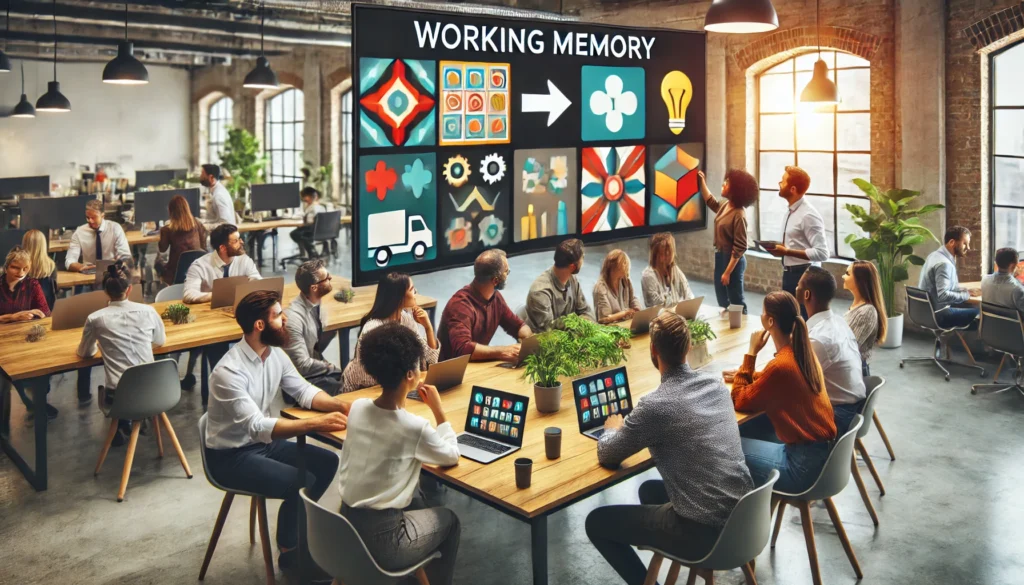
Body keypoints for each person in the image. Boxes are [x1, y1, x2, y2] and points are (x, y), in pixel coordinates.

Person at [585, 312, 753, 585]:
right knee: (648, 490)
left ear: (653, 350)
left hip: (703, 533)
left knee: (596, 522)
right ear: (688, 347)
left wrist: (611, 430)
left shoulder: (655, 406)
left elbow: (608, 454)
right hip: (744, 520)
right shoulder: (717, 385)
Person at [203, 290, 348, 584]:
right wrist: (317, 424)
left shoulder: (274, 354)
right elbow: (257, 425)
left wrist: (341, 405)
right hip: (230, 456)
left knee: (326, 463)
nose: (285, 321)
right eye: (278, 316)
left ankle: (292, 537)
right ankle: (292, 551)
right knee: (302, 480)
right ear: (260, 325)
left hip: (262, 445)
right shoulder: (228, 372)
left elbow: (304, 391)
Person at [337, 322, 461, 585]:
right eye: (419, 365)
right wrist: (439, 412)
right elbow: (451, 455)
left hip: (343, 530)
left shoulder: (357, 407)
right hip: (384, 544)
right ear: (409, 375)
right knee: (450, 522)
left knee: (415, 497)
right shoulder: (413, 427)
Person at [730, 291, 837, 493]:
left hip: (801, 467)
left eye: (762, 312)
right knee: (747, 428)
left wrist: (750, 354)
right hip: (821, 457)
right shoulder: (803, 353)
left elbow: (739, 400)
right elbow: (779, 380)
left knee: (725, 448)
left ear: (770, 321)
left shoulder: (781, 366)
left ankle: (735, 515)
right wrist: (747, 373)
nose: (760, 315)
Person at [77, 260, 166, 447]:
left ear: (105, 292)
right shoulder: (149, 311)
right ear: (129, 289)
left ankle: (124, 422)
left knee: (119, 387)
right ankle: (142, 417)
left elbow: (85, 353)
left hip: (120, 397)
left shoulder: (95, 318)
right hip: (158, 391)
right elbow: (160, 341)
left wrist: (100, 347)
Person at [342, 272, 439, 393]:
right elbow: (372, 378)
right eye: (412, 290)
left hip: (397, 388)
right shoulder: (372, 329)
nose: (416, 294)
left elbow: (431, 360)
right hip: (365, 390)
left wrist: (428, 327)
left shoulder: (406, 318)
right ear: (399, 297)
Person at [796, 266, 867, 434]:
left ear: (807, 295)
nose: (796, 287)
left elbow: (791, 380)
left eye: (799, 285)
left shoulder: (819, 339)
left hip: (836, 417)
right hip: (850, 408)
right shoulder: (838, 322)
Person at [437, 249, 532, 362]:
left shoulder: (496, 299)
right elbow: (463, 349)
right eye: (507, 272)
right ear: (495, 281)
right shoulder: (460, 306)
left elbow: (517, 326)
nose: (508, 275)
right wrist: (502, 351)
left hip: (476, 367)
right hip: (454, 372)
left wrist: (528, 338)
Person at [0, 247, 55, 419]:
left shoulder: (32, 284)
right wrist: (12, 317)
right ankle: (28, 401)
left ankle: (33, 401)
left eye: (25, 268)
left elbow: (46, 313)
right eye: (15, 267)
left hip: (25, 336)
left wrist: (37, 314)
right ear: (6, 266)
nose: (21, 272)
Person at [765, 166, 829, 312]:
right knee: (791, 320)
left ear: (792, 189)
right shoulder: (790, 211)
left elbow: (822, 253)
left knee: (804, 321)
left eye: (782, 182)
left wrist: (787, 251)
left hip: (804, 276)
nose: (779, 184)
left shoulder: (808, 215)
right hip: (788, 273)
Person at [699, 169, 758, 314]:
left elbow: (740, 247)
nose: (723, 184)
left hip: (733, 261)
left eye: (727, 183)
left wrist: (727, 272)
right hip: (720, 256)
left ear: (736, 189)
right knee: (722, 297)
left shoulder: (739, 214)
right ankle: (728, 326)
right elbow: (711, 201)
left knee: (736, 300)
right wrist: (702, 182)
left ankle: (741, 326)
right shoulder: (726, 205)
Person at [283, 259, 343, 395]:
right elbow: (302, 366)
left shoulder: (316, 303)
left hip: (315, 371)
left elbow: (316, 348)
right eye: (326, 278)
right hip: (301, 382)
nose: (331, 278)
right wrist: (333, 368)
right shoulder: (293, 319)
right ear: (314, 287)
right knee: (347, 387)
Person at [524, 238, 594, 332]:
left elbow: (586, 311)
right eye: (582, 258)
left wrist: (582, 322)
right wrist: (579, 323)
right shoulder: (540, 291)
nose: (583, 261)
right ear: (573, 267)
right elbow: (549, 330)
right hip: (543, 343)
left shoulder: (572, 280)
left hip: (568, 337)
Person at [919, 225, 980, 328]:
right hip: (939, 313)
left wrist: (965, 290)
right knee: (981, 312)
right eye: (965, 243)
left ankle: (949, 342)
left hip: (926, 311)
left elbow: (939, 286)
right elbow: (943, 295)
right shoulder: (944, 264)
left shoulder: (934, 255)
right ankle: (954, 343)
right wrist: (967, 295)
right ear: (952, 242)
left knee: (970, 306)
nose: (968, 248)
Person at [182, 223, 261, 304]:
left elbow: (259, 284)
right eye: (236, 241)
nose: (242, 242)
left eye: (240, 238)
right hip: (209, 313)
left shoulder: (244, 260)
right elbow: (189, 294)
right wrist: (219, 296)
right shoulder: (199, 266)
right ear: (222, 248)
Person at [842, 260, 888, 376]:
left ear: (859, 280)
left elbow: (850, 348)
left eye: (847, 274)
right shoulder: (856, 306)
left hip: (855, 372)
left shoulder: (867, 312)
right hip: (848, 368)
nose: (843, 276)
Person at [65, 198, 132, 272]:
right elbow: (69, 261)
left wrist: (117, 263)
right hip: (88, 273)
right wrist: (81, 266)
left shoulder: (115, 228)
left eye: (93, 217)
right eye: (87, 217)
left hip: (111, 272)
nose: (90, 221)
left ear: (103, 216)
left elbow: (125, 256)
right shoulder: (79, 232)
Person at [157, 194, 208, 286]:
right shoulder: (198, 224)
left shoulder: (167, 230)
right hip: (198, 271)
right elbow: (203, 248)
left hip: (176, 274)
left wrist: (162, 232)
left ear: (171, 211)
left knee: (157, 263)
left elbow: (162, 249)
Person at [641, 232, 694, 308]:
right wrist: (680, 305)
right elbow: (657, 305)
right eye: (665, 252)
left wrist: (686, 305)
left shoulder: (674, 269)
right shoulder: (648, 275)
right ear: (656, 254)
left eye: (670, 250)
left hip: (677, 313)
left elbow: (688, 293)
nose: (669, 254)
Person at [593, 249, 641, 324]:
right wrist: (625, 313)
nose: (627, 267)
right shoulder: (600, 288)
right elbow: (604, 319)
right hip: (612, 329)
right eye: (624, 263)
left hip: (628, 324)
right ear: (613, 267)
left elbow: (633, 299)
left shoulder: (626, 281)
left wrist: (637, 309)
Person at [21, 229, 57, 311]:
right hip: (47, 313)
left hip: (23, 315)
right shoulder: (51, 266)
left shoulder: (18, 266)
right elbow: (54, 294)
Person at [982, 247, 1024, 315]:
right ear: (1013, 265)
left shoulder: (985, 280)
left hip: (990, 324)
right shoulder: (1017, 289)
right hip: (1013, 325)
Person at [289, 187, 327, 259]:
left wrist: (303, 224)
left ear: (310, 196)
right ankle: (308, 250)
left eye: (305, 197)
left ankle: (310, 251)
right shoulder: (321, 206)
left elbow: (310, 221)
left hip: (312, 231)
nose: (304, 199)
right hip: (321, 231)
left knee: (294, 234)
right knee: (298, 233)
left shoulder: (313, 207)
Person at [199, 164, 236, 229]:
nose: (200, 177)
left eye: (202, 174)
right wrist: (200, 222)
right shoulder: (217, 191)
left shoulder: (219, 195)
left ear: (211, 177)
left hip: (223, 237)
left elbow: (225, 224)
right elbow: (216, 219)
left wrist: (205, 227)